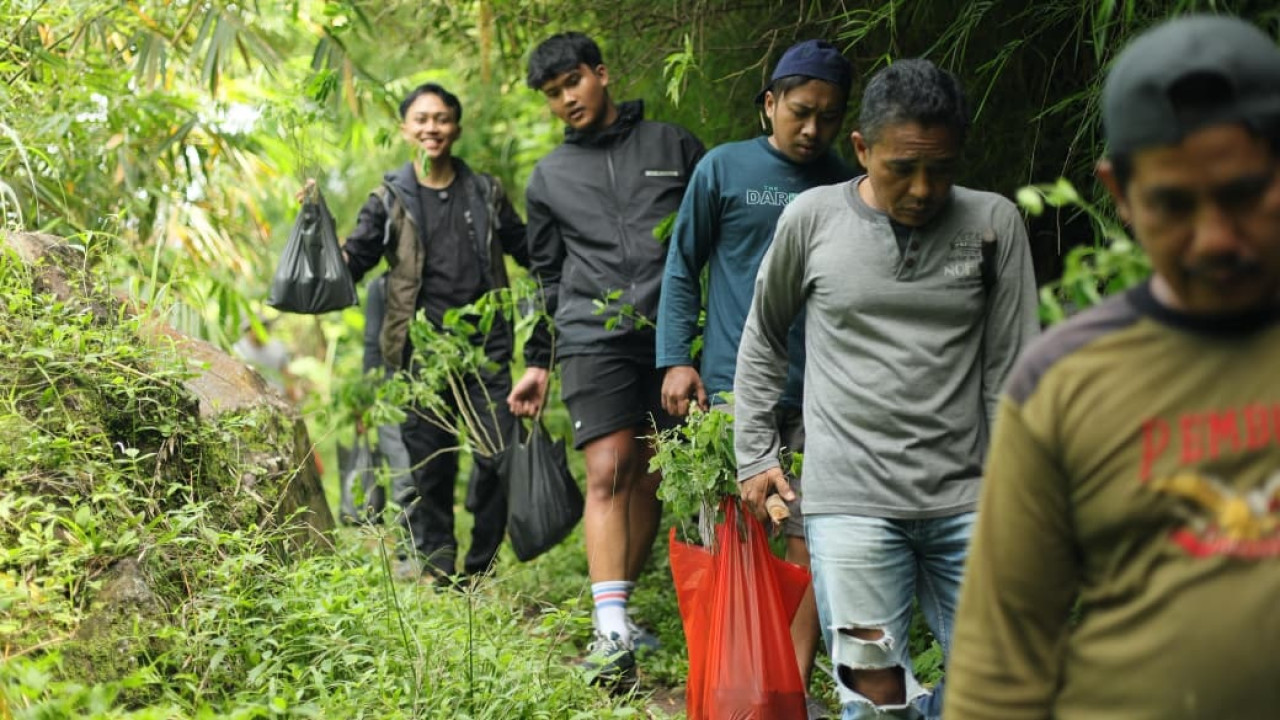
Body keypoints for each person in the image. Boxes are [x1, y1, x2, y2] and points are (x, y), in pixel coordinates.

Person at [946, 15, 1280, 720]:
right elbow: (1000, 664)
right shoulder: (1065, 381)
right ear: (1120, 194)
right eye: (1172, 205)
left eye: (1244, 194)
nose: (1215, 238)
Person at [733, 58, 1040, 719]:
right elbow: (763, 336)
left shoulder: (993, 225)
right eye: (902, 167)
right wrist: (756, 455)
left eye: (942, 168)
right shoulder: (812, 220)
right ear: (862, 149)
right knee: (875, 702)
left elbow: (1009, 370)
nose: (924, 188)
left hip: (969, 501)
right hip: (851, 508)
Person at [654, 39, 854, 718]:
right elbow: (683, 265)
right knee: (732, 539)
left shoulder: (849, 183)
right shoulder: (724, 169)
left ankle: (786, 692)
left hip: (823, 393)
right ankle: (728, 681)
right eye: (800, 112)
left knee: (810, 540)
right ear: (769, 103)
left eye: (828, 118)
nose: (812, 130)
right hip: (732, 391)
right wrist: (676, 357)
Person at [506, 32, 705, 686]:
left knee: (651, 475)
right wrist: (537, 360)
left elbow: (712, 236)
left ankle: (619, 613)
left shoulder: (672, 147)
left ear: (601, 73)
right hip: (592, 334)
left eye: (573, 84)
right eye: (553, 94)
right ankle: (610, 631)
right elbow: (545, 275)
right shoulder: (549, 178)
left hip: (673, 333)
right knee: (610, 468)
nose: (566, 100)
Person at [334, 82, 529, 584]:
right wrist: (315, 230)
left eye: (441, 119)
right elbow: (352, 262)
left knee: (499, 459)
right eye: (421, 120)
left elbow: (528, 248)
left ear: (455, 128)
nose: (432, 128)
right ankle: (438, 566)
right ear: (406, 129)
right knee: (429, 470)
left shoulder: (484, 192)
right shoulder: (388, 198)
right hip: (420, 355)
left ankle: (480, 570)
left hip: (485, 350)